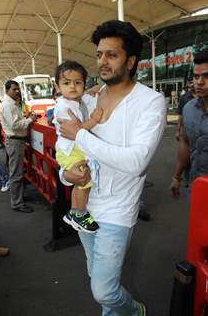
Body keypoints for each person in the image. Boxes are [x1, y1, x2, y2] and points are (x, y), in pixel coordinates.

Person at [58, 20, 166, 315]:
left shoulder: (150, 102)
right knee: (98, 278)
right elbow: (68, 150)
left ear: (130, 61)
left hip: (118, 211)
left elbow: (136, 162)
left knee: (104, 289)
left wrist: (80, 134)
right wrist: (65, 175)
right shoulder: (88, 98)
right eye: (99, 54)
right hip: (86, 206)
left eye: (111, 55)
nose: (102, 62)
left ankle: (135, 311)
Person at [54, 60, 103, 233]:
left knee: (79, 184)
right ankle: (81, 214)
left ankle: (74, 213)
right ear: (58, 87)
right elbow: (76, 130)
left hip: (71, 150)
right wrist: (94, 120)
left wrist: (91, 92)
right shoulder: (63, 107)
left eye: (78, 82)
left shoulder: (74, 101)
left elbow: (83, 100)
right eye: (67, 83)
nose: (73, 87)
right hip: (71, 150)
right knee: (84, 181)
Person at [171, 48, 208, 197]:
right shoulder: (189, 109)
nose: (199, 82)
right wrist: (176, 176)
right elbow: (185, 143)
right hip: (196, 184)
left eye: (206, 76)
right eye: (196, 76)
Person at [0, 80, 37, 213]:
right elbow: (15, 125)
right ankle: (17, 203)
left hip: (16, 141)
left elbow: (15, 122)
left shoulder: (12, 104)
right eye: (14, 89)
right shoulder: (8, 105)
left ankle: (18, 198)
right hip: (15, 142)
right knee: (16, 174)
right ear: (7, 91)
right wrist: (30, 120)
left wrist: (26, 119)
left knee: (17, 172)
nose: (17, 91)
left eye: (18, 89)